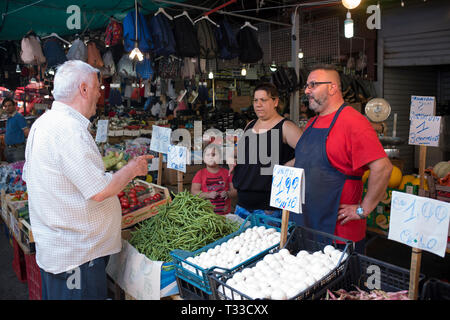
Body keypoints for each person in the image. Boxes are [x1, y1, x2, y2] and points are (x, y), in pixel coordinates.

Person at [22, 60, 153, 300]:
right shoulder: (68, 130)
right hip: (77, 258)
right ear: (83, 89)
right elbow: (100, 191)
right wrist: (133, 169)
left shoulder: (44, 124)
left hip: (62, 253)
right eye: (97, 88)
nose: (99, 94)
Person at [293, 64, 392, 253]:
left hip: (338, 234)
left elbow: (383, 168)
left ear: (332, 87)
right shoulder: (312, 123)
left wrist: (364, 209)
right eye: (307, 86)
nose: (307, 90)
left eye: (313, 85)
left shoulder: (353, 122)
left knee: (341, 283)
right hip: (308, 223)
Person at [231, 82, 303, 220]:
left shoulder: (286, 127)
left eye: (263, 100)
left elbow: (309, 152)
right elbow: (240, 152)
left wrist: (290, 164)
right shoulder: (250, 125)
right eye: (255, 100)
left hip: (269, 208)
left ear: (275, 101)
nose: (258, 104)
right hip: (242, 204)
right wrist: (232, 159)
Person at [191, 144, 237, 215]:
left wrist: (228, 193)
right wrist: (208, 195)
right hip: (206, 215)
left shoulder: (227, 173)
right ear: (204, 158)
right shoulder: (200, 174)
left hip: (225, 214)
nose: (211, 157)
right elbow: (194, 192)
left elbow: (235, 191)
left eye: (214, 155)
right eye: (208, 155)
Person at [1, 98, 29, 163]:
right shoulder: (9, 118)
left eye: (9, 105)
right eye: (5, 106)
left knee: (18, 170)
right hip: (8, 149)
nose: (7, 108)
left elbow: (26, 132)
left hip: (18, 150)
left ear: (14, 106)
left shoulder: (19, 117)